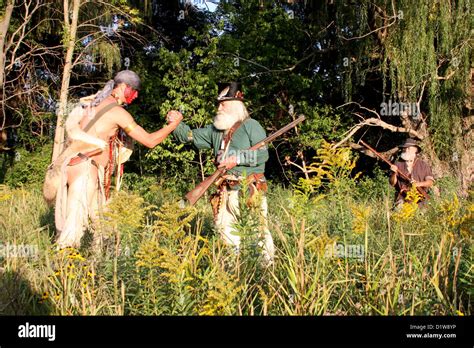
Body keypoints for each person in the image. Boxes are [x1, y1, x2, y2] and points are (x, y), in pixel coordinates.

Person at [44, 70, 182, 249]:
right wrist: (173, 125)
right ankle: (62, 271)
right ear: (123, 87)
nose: (136, 95)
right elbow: (150, 141)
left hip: (74, 165)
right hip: (86, 170)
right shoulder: (117, 112)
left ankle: (97, 266)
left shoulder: (93, 104)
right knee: (73, 230)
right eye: (134, 90)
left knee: (104, 226)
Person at [169, 82, 275, 264]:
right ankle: (234, 271)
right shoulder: (215, 131)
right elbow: (188, 136)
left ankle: (265, 271)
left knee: (258, 232)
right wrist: (175, 122)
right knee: (226, 233)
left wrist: (238, 159)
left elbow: (263, 154)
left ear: (234, 105)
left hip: (251, 190)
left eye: (223, 104)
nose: (219, 108)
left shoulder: (252, 126)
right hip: (226, 191)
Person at [389, 138, 434, 207]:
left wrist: (417, 184)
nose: (406, 150)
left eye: (409, 148)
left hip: (420, 200)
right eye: (404, 148)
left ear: (415, 150)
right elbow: (392, 183)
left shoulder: (423, 165)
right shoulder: (397, 164)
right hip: (403, 199)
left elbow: (430, 182)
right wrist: (394, 173)